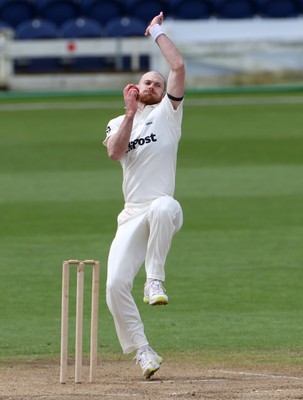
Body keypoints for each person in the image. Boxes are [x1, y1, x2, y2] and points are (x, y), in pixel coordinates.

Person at [103, 11, 185, 379]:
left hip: (161, 209)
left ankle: (155, 280)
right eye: (147, 82)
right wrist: (130, 113)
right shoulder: (119, 122)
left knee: (167, 204)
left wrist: (156, 32)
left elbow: (178, 66)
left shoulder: (169, 113)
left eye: (158, 82)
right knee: (115, 284)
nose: (153, 85)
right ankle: (144, 352)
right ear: (134, 88)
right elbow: (115, 153)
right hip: (132, 213)